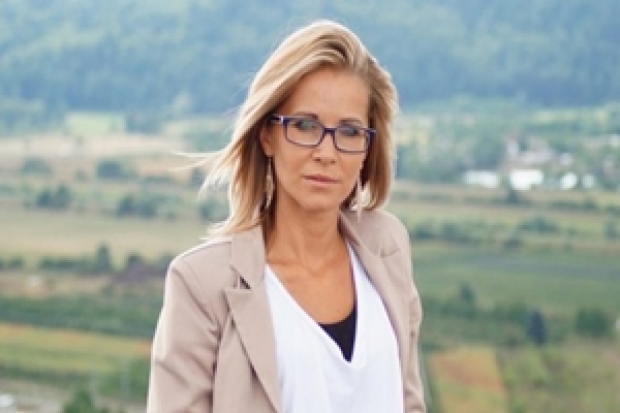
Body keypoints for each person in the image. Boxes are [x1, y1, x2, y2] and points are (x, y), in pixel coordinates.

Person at [147, 19, 426, 413]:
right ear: (267, 135)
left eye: (349, 132)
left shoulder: (387, 246)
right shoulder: (202, 284)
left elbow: (408, 400)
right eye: (305, 126)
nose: (326, 152)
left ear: (368, 148)